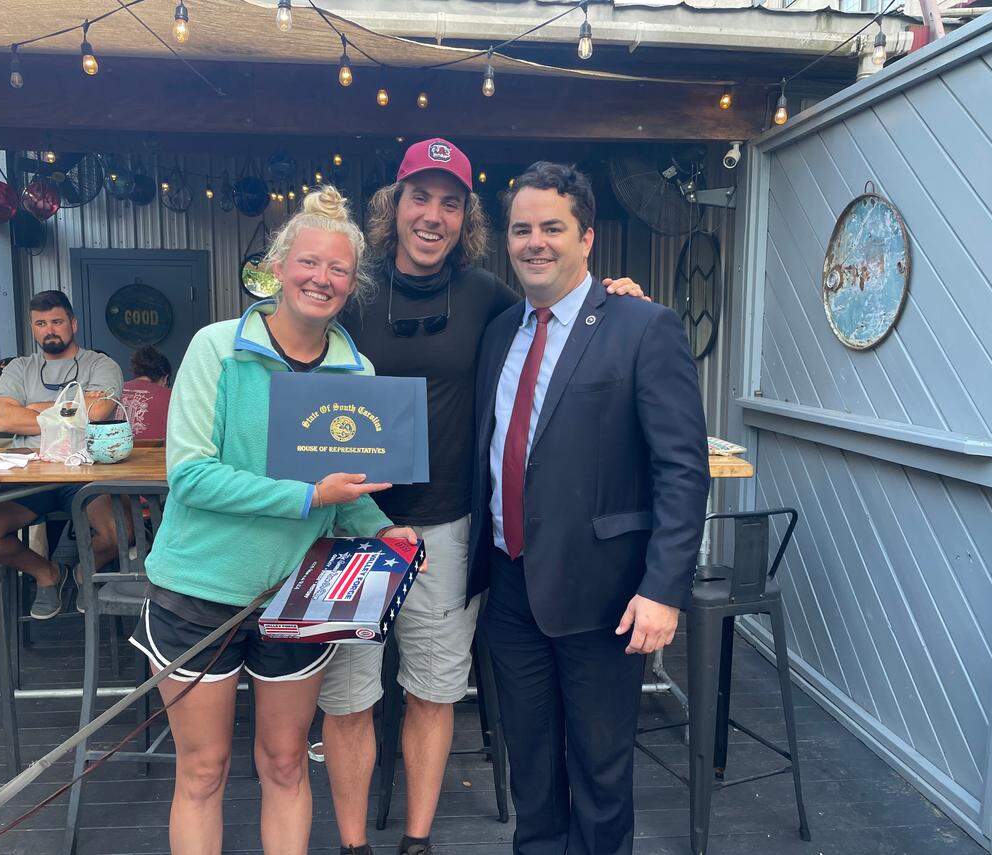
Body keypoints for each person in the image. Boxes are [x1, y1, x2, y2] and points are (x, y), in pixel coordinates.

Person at [321, 138, 649, 855]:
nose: (432, 215)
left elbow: (562, 320)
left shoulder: (490, 299)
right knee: (348, 698)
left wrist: (613, 297)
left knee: (433, 692)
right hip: (350, 527)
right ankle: (352, 845)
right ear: (394, 205)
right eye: (419, 197)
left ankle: (416, 839)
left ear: (465, 217)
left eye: (450, 202)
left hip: (447, 529)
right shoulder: (356, 292)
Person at [128, 186, 420, 855]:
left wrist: (379, 526)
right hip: (199, 592)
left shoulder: (357, 367)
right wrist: (307, 495)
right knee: (203, 770)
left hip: (296, 597)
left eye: (339, 269)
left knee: (286, 764)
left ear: (352, 284)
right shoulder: (216, 350)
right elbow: (191, 474)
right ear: (279, 268)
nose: (323, 278)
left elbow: (343, 491)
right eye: (310, 262)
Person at [467, 162, 711, 855]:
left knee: (602, 777)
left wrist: (664, 588)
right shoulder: (499, 336)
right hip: (512, 588)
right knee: (533, 771)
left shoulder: (643, 327)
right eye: (521, 229)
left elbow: (682, 469)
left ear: (587, 238)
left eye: (552, 227)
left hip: (605, 594)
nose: (534, 242)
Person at [0, 290, 124, 620]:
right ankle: (47, 574)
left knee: (119, 532)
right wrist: (72, 408)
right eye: (41, 323)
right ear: (33, 328)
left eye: (57, 321)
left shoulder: (100, 364)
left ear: (73, 324)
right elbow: (4, 419)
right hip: (27, 473)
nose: (50, 329)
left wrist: (32, 409)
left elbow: (101, 410)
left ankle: (81, 572)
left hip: (85, 473)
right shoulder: (20, 368)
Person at [121, 344, 172, 441]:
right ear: (165, 378)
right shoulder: (171, 397)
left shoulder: (115, 390)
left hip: (114, 454)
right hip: (156, 455)